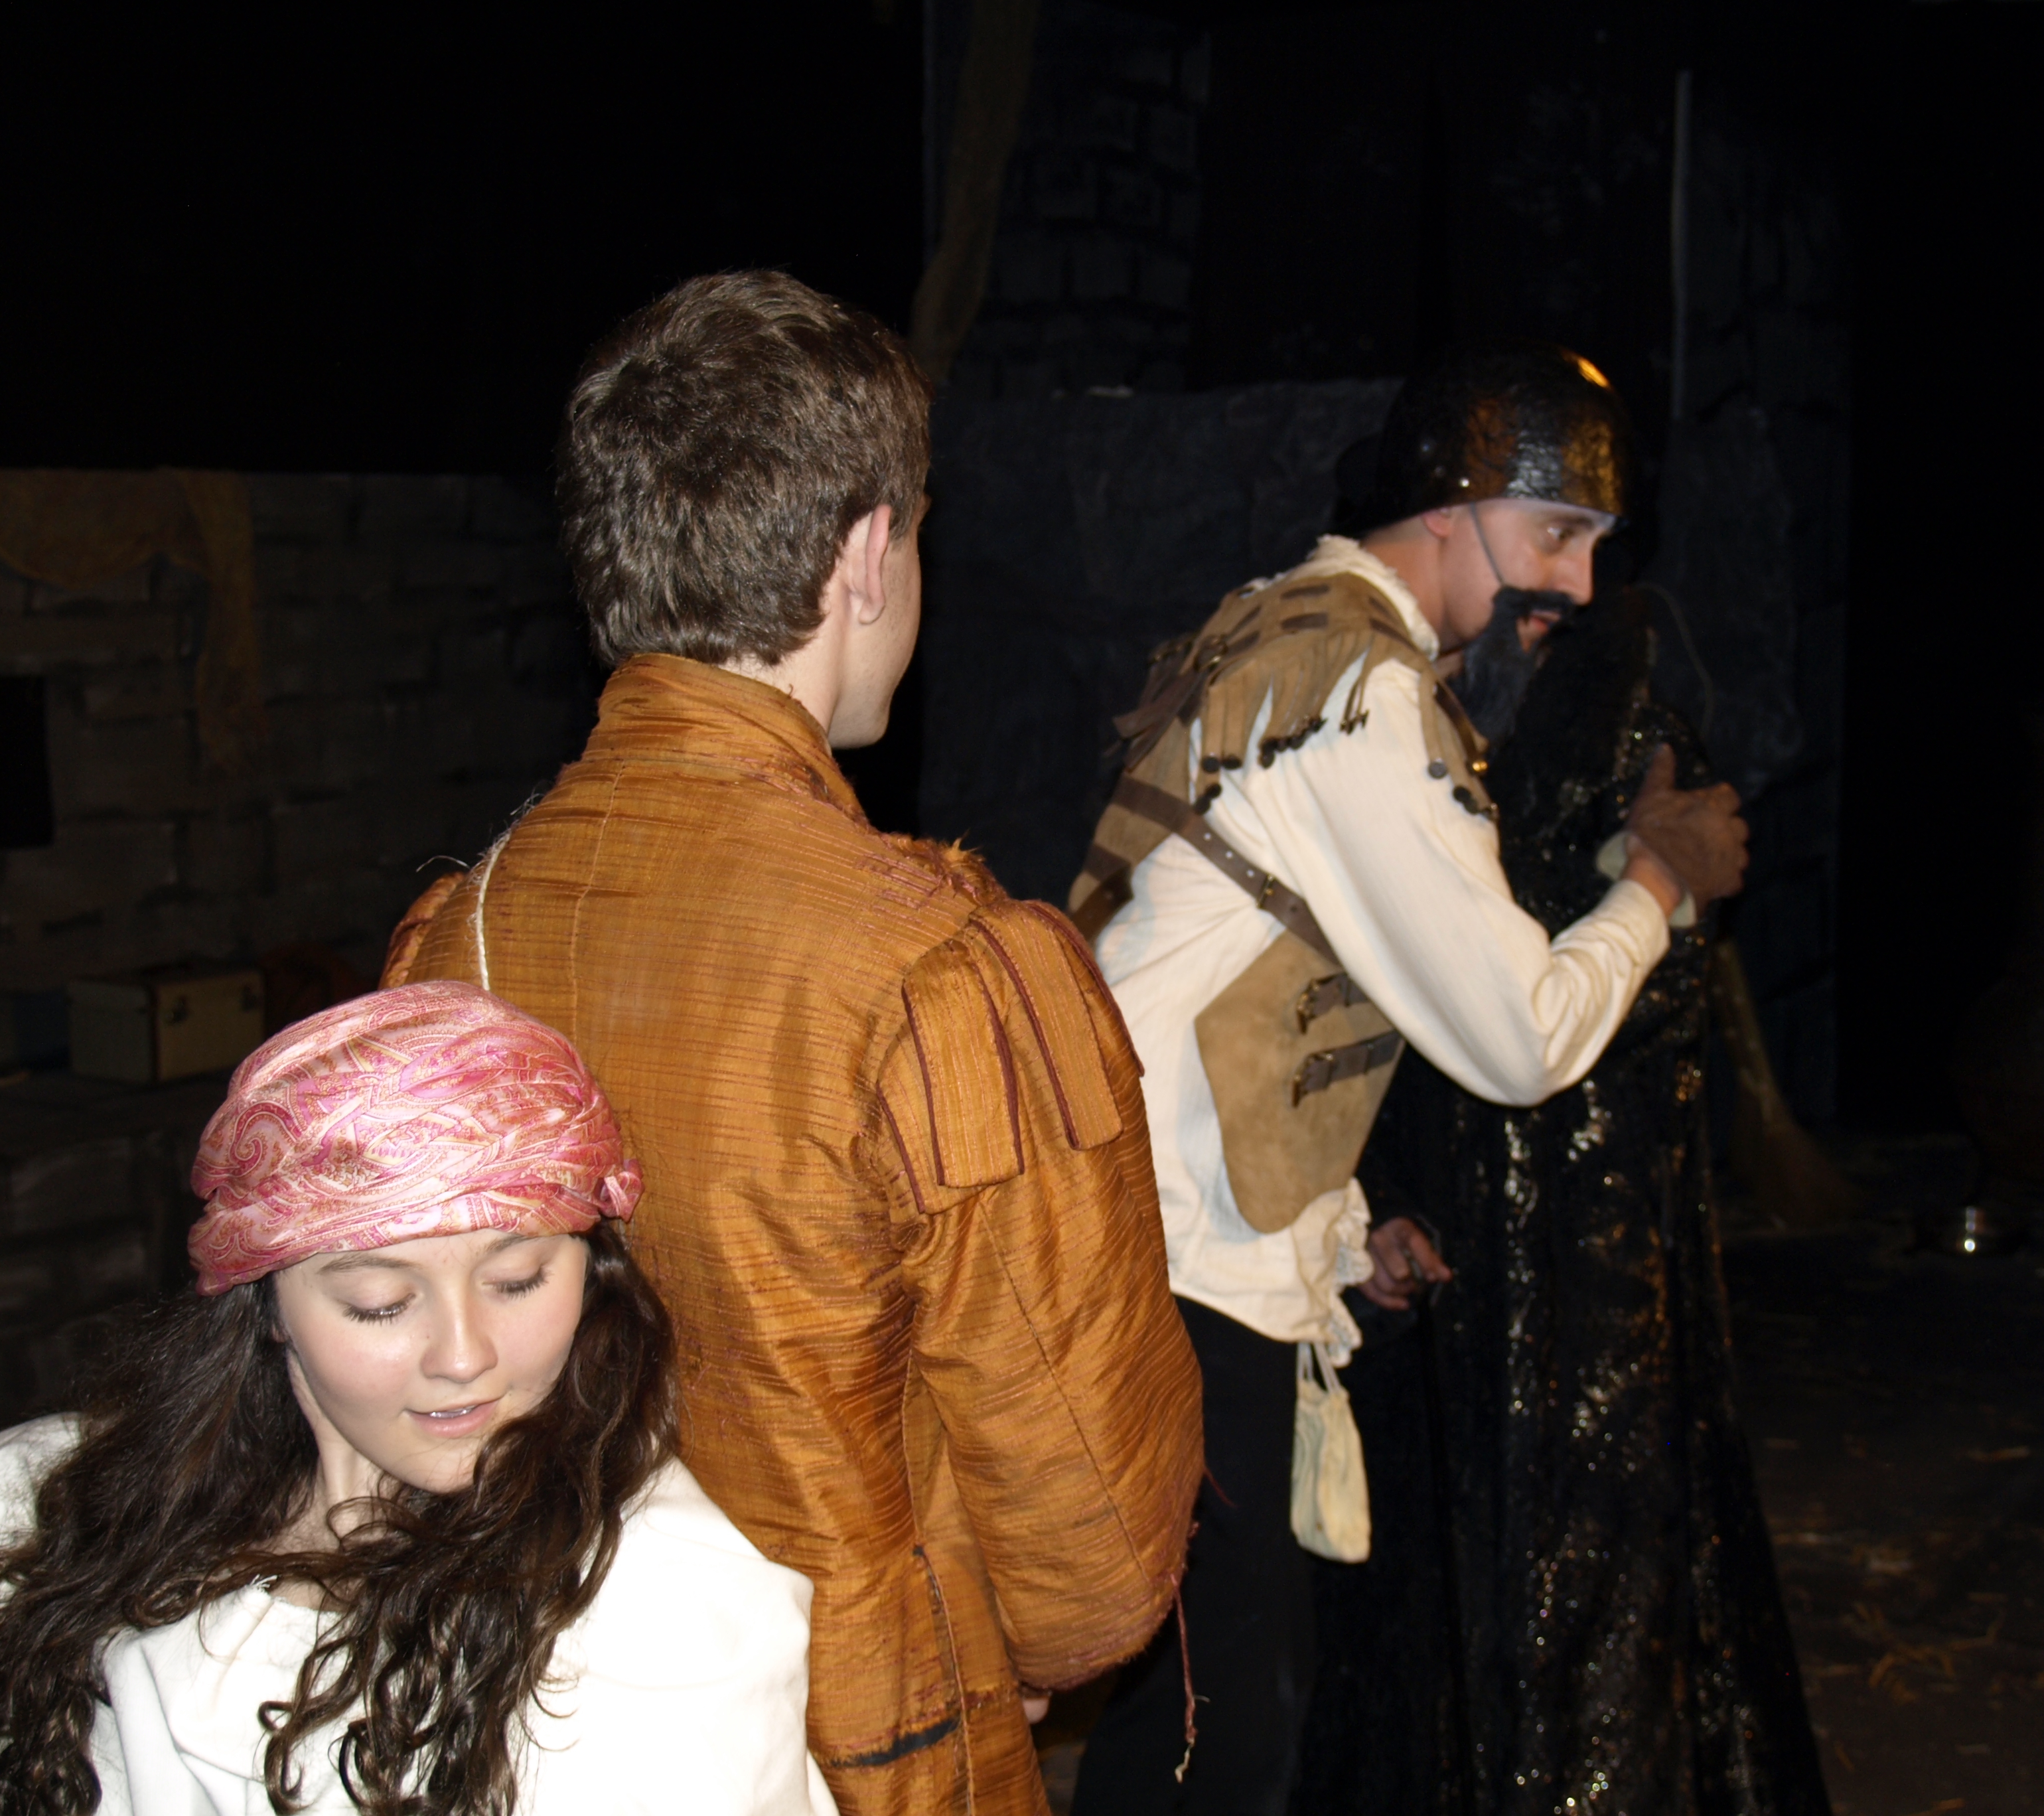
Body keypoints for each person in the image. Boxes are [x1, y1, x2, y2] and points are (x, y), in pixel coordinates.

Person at [382, 271, 1202, 1816]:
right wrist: (1024, 1643)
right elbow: (1087, 1532)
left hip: (540, 1711)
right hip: (851, 1743)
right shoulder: (943, 977)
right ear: (871, 552)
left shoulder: (453, 934)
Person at [1064, 342, 1751, 1813]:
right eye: (1553, 533)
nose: (1575, 583)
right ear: (1450, 503)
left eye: (1594, 546)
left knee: (1195, 1710)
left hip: (1164, 1233)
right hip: (1168, 1265)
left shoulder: (1288, 624)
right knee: (1223, 1737)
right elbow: (1522, 1039)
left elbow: (1242, 979)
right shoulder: (1362, 693)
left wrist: (1338, 1222)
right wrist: (1656, 886)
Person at [0, 980, 836, 1816]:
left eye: (517, 1282)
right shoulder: (74, 1504)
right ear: (267, 1308)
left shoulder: (664, 1624)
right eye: (380, 1303)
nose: (464, 1357)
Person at [1289, 576, 1833, 1813]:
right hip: (1430, 1214)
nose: (1550, 597)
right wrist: (1372, 1190)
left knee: (1587, 1571)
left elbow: (1627, 992)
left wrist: (1643, 893)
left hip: (1587, 1236)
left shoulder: (1632, 737)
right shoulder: (1398, 722)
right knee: (1418, 1577)